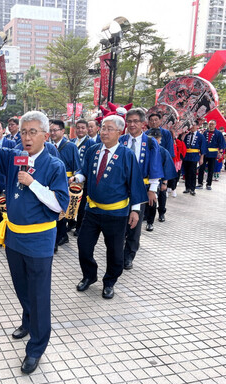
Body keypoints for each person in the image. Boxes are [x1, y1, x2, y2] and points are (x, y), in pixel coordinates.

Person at [0, 110, 69, 375]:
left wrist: (33, 183)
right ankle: (28, 320)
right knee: (22, 288)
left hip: (39, 240)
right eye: (23, 132)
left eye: (33, 132)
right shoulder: (14, 157)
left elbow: (60, 204)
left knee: (39, 294)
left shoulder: (54, 165)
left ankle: (36, 346)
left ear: (46, 135)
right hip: (14, 237)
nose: (26, 137)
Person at [72, 115, 147, 299]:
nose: (104, 132)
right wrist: (78, 178)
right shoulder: (93, 150)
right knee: (84, 245)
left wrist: (135, 210)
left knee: (114, 250)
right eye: (103, 128)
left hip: (117, 213)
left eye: (109, 129)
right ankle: (89, 275)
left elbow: (135, 183)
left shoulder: (127, 154)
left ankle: (110, 281)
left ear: (120, 132)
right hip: (92, 209)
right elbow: (84, 170)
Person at [119, 109, 162, 266]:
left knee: (135, 221)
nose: (132, 124)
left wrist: (153, 189)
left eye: (136, 121)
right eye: (129, 121)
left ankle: (129, 254)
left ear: (143, 123)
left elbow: (155, 166)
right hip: (120, 187)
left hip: (141, 187)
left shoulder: (150, 142)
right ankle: (117, 250)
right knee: (120, 220)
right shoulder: (121, 140)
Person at [50, 119, 80, 249]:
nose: (53, 133)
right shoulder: (47, 145)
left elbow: (77, 167)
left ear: (63, 131)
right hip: (50, 183)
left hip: (65, 183)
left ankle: (60, 237)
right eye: (51, 130)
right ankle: (57, 237)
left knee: (62, 210)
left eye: (55, 130)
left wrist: (74, 179)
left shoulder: (71, 146)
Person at [144, 129, 176, 226]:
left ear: (160, 139)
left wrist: (165, 182)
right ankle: (145, 216)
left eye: (156, 138)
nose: (154, 139)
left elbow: (167, 167)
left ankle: (151, 222)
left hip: (157, 180)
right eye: (152, 138)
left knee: (153, 202)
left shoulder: (163, 151)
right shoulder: (144, 149)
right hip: (143, 180)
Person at [71, 120, 96, 236]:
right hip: (72, 177)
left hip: (84, 178)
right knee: (71, 200)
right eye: (78, 128)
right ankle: (70, 222)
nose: (80, 130)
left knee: (81, 204)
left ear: (87, 129)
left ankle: (79, 226)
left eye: (83, 128)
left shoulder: (90, 143)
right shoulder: (71, 142)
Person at [197, 120, 226, 190]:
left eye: (212, 124)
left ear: (215, 125)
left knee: (211, 169)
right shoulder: (205, 132)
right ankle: (200, 183)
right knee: (201, 168)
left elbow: (222, 143)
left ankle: (209, 184)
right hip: (204, 153)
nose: (210, 125)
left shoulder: (218, 133)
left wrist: (220, 152)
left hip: (213, 154)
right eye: (209, 124)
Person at [183, 120, 207, 195]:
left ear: (197, 126)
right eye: (191, 125)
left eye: (193, 125)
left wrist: (201, 158)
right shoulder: (187, 135)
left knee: (193, 172)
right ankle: (187, 187)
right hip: (186, 155)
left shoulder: (200, 136)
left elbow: (203, 147)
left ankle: (192, 189)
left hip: (194, 156)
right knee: (186, 172)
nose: (192, 127)